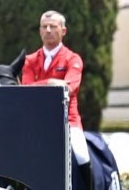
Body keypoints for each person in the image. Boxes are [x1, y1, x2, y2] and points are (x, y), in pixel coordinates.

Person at [20, 10, 91, 171]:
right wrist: (52, 82)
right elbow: (26, 90)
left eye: (53, 26)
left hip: (67, 120)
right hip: (36, 120)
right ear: (39, 31)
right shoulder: (29, 61)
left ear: (63, 31)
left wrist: (43, 85)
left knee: (81, 155)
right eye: (44, 27)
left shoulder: (73, 59)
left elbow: (69, 88)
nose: (48, 30)